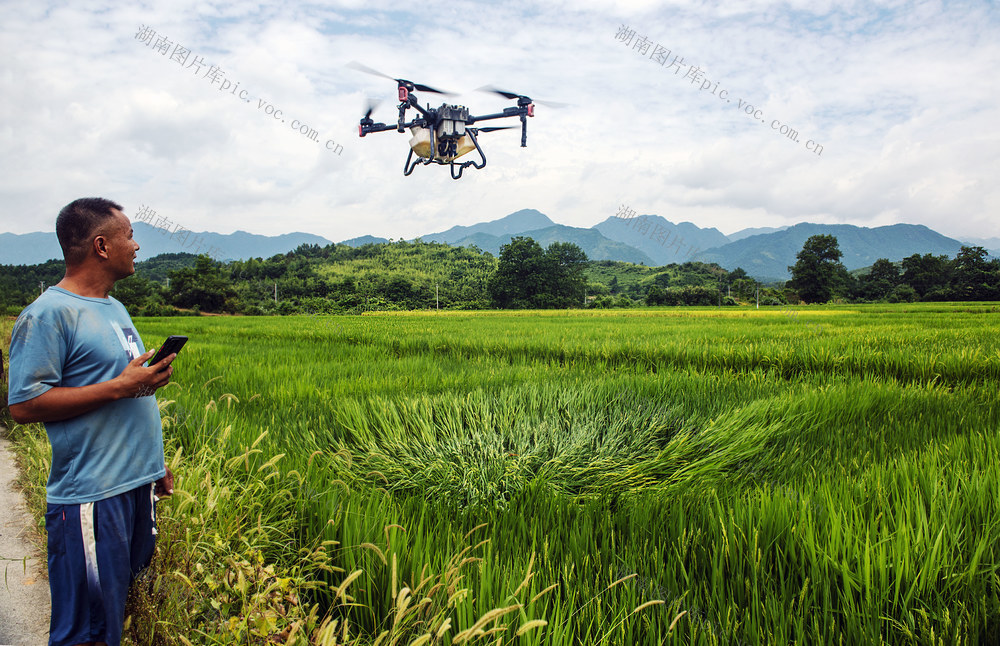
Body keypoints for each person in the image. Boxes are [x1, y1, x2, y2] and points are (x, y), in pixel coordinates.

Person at [7, 198, 177, 646]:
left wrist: (152, 462)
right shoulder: (47, 315)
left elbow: (121, 388)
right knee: (88, 631)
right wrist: (121, 386)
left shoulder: (114, 308)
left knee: (114, 618)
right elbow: (24, 406)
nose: (137, 246)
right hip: (91, 497)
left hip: (133, 485)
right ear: (101, 246)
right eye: (129, 236)